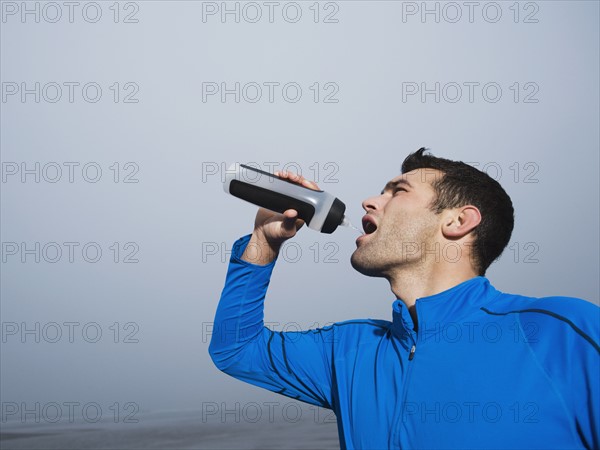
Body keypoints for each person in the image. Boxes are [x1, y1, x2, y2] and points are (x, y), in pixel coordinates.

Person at [209, 148, 599, 449]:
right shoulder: (349, 351)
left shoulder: (563, 332)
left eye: (398, 191)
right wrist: (263, 241)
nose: (369, 202)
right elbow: (237, 349)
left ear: (458, 221)